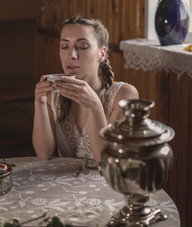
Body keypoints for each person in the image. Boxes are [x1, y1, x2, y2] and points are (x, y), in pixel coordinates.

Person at [32, 16, 139, 164]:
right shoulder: (53, 95)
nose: (72, 55)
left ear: (101, 53)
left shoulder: (124, 95)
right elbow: (44, 154)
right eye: (64, 46)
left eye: (82, 46)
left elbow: (105, 161)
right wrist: (39, 103)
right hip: (66, 183)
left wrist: (95, 106)